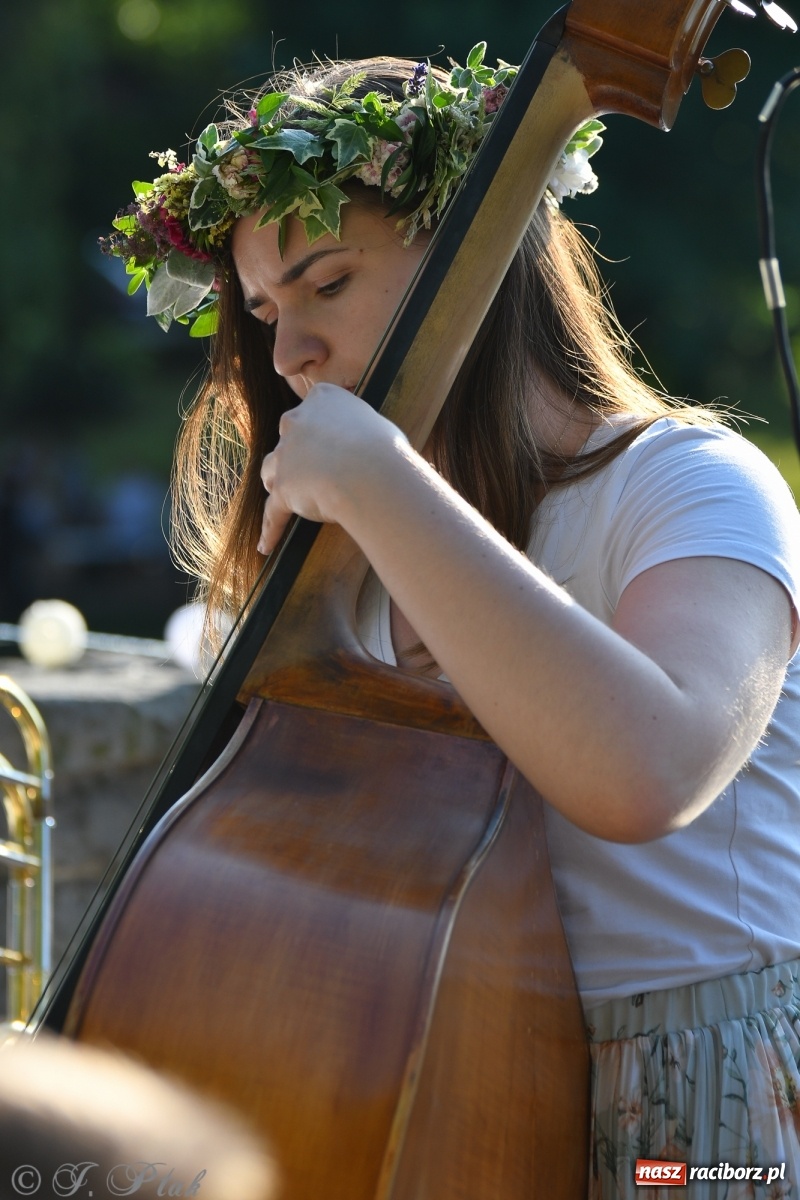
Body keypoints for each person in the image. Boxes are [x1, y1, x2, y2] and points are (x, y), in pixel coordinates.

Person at [103, 47, 800, 1199]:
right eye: (267, 313)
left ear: (477, 257)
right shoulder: (347, 559)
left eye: (325, 285)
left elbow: (648, 770)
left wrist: (381, 486)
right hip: (449, 1092)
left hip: (696, 1108)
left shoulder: (691, 484)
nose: (287, 356)